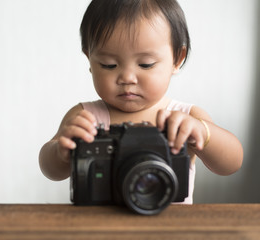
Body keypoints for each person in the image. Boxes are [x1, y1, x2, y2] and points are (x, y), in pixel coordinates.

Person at [38, 0, 243, 204]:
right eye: (109, 65)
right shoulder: (86, 117)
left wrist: (203, 133)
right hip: (101, 227)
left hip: (171, 228)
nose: (127, 77)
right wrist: (60, 152)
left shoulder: (186, 117)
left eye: (145, 64)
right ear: (89, 59)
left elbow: (232, 163)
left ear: (177, 59)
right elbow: (51, 171)